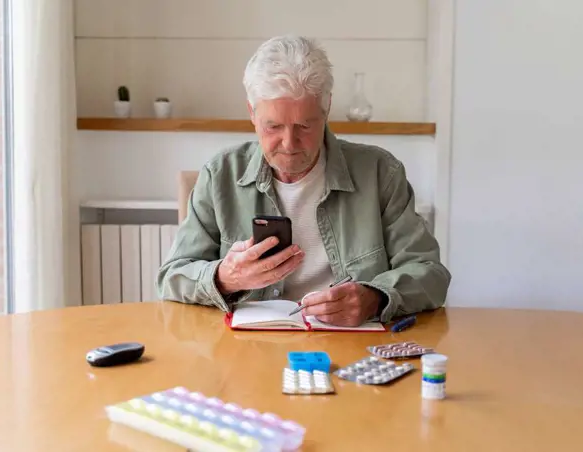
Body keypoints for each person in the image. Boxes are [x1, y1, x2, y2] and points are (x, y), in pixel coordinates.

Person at [156, 35, 451, 327]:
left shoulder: (380, 173)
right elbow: (172, 277)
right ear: (251, 113)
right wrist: (224, 277)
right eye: (272, 126)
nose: (288, 143)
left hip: (351, 346)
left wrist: (375, 297)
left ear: (327, 109)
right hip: (247, 350)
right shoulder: (220, 176)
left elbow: (429, 273)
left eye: (304, 126)